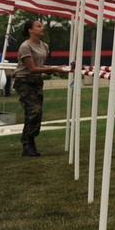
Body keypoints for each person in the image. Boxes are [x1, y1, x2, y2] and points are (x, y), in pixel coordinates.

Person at [13, 20, 68, 157]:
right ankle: (28, 144)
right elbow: (32, 68)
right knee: (34, 111)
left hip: (37, 81)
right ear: (30, 30)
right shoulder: (25, 46)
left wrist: (59, 69)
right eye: (39, 26)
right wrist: (53, 68)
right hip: (24, 81)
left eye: (42, 26)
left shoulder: (44, 46)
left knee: (33, 114)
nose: (42, 28)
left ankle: (27, 145)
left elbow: (41, 67)